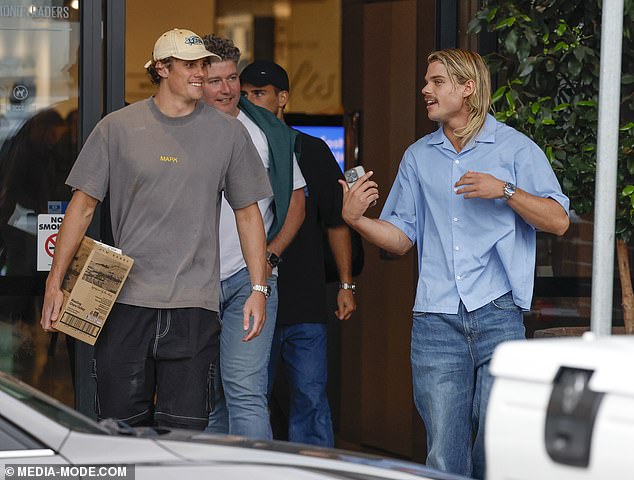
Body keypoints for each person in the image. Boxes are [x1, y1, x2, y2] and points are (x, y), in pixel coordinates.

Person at [340, 49, 570, 478]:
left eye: (436, 82)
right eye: (426, 82)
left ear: (468, 88)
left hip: (498, 314)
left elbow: (557, 221)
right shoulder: (418, 157)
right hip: (435, 320)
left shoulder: (515, 149)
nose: (425, 90)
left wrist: (505, 190)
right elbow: (402, 238)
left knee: (495, 444)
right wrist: (356, 220)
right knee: (443, 453)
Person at [40, 28, 272, 430]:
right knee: (117, 427)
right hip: (125, 301)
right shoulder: (117, 128)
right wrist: (55, 283)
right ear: (162, 68)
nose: (201, 73)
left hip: (195, 304)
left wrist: (258, 288)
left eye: (204, 64)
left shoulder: (228, 133)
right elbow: (81, 208)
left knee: (184, 432)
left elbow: (248, 214)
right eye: (190, 65)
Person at [241, 60, 357, 447]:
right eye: (244, 95)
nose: (249, 102)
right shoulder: (234, 148)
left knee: (310, 398)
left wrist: (345, 284)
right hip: (249, 296)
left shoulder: (312, 149)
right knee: (251, 399)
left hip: (305, 300)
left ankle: (314, 472)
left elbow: (336, 221)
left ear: (282, 98)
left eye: (258, 94)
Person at [201, 36, 307, 440]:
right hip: (194, 280)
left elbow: (296, 197)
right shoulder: (182, 129)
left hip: (250, 279)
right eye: (216, 80)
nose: (227, 89)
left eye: (232, 78)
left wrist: (270, 257)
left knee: (245, 393)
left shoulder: (263, 131)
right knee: (207, 397)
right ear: (197, 80)